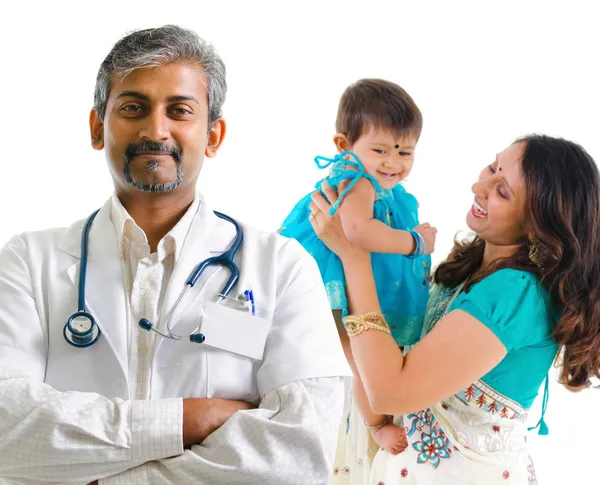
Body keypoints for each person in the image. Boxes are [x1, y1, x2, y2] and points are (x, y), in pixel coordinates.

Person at [0, 25, 351, 485]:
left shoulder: (282, 267)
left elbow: (299, 455)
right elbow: (7, 432)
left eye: (179, 110)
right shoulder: (28, 262)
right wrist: (188, 420)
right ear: (96, 128)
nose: (155, 130)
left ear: (213, 135)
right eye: (133, 107)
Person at [309, 135, 600, 484]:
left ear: (539, 224)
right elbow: (382, 368)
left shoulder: (516, 292)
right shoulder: (472, 265)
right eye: (493, 167)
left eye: (502, 191)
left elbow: (392, 392)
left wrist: (354, 257)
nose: (479, 186)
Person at [278, 79, 436, 484]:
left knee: (361, 348)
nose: (393, 162)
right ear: (344, 145)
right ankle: (376, 423)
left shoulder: (385, 188)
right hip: (331, 277)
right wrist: (413, 242)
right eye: (380, 150)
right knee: (352, 349)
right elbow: (357, 232)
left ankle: (377, 416)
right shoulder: (355, 179)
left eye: (405, 150)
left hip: (353, 276)